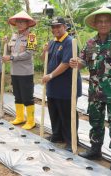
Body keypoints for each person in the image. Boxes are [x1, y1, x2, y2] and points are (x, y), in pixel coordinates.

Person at [69, 7, 111, 172]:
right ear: (95, 24)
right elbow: (84, 61)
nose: (103, 24)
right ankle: (95, 149)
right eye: (100, 21)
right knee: (95, 121)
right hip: (96, 92)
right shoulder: (90, 43)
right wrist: (76, 62)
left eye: (106, 21)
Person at [41, 17, 82, 152]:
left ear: (65, 27)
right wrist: (44, 51)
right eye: (53, 27)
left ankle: (71, 140)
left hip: (66, 86)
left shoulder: (69, 42)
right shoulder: (53, 42)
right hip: (53, 86)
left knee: (67, 114)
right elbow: (45, 59)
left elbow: (65, 64)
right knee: (54, 111)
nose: (55, 29)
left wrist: (51, 75)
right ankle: (57, 135)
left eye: (58, 26)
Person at [2, 11, 37, 130]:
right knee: (17, 95)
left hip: (26, 72)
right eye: (18, 22)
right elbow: (9, 52)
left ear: (28, 24)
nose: (20, 24)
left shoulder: (31, 37)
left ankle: (31, 121)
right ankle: (20, 117)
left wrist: (11, 57)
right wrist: (6, 44)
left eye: (22, 22)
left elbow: (28, 54)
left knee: (27, 96)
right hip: (14, 71)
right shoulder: (13, 36)